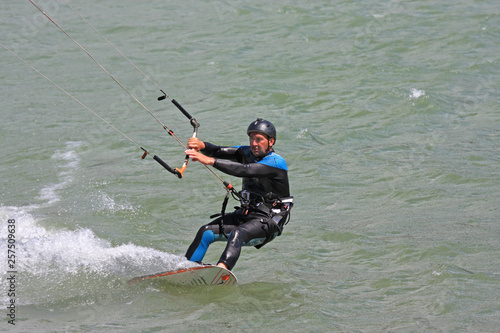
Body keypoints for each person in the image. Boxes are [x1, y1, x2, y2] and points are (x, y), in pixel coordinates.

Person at [183, 118, 293, 271]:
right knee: (206, 232)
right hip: (246, 215)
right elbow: (219, 151)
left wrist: (209, 160)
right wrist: (202, 146)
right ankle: (185, 269)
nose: (254, 143)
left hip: (268, 222)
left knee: (237, 233)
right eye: (252, 139)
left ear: (271, 141)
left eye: (259, 139)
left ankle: (221, 271)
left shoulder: (276, 162)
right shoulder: (246, 152)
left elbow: (245, 169)